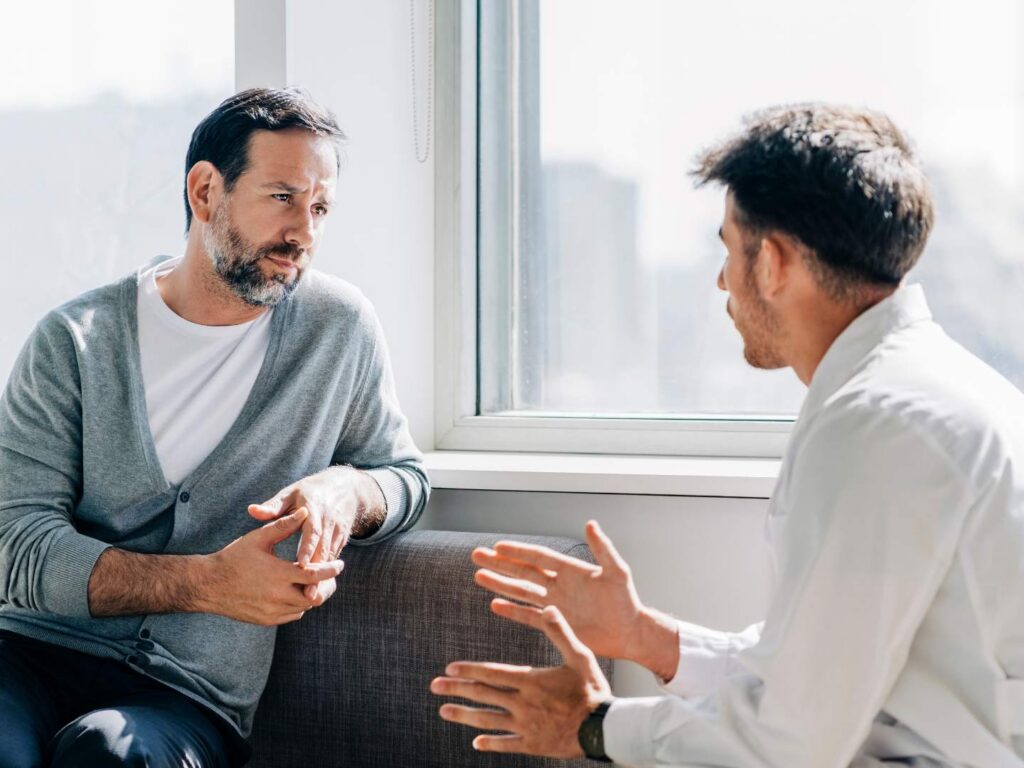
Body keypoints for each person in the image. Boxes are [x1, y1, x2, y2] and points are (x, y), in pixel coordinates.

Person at [431, 103, 1024, 767]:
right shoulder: (928, 391)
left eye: (727, 249)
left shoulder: (877, 426)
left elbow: (789, 742)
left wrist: (592, 728)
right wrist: (647, 637)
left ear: (770, 262)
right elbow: (818, 674)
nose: (721, 280)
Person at [0, 87, 429, 767]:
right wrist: (206, 584)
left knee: (108, 756)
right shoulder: (75, 342)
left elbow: (404, 477)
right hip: (25, 655)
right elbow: (16, 547)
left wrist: (345, 493)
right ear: (205, 192)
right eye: (283, 197)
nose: (305, 233)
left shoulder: (337, 330)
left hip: (185, 695)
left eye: (319, 208)